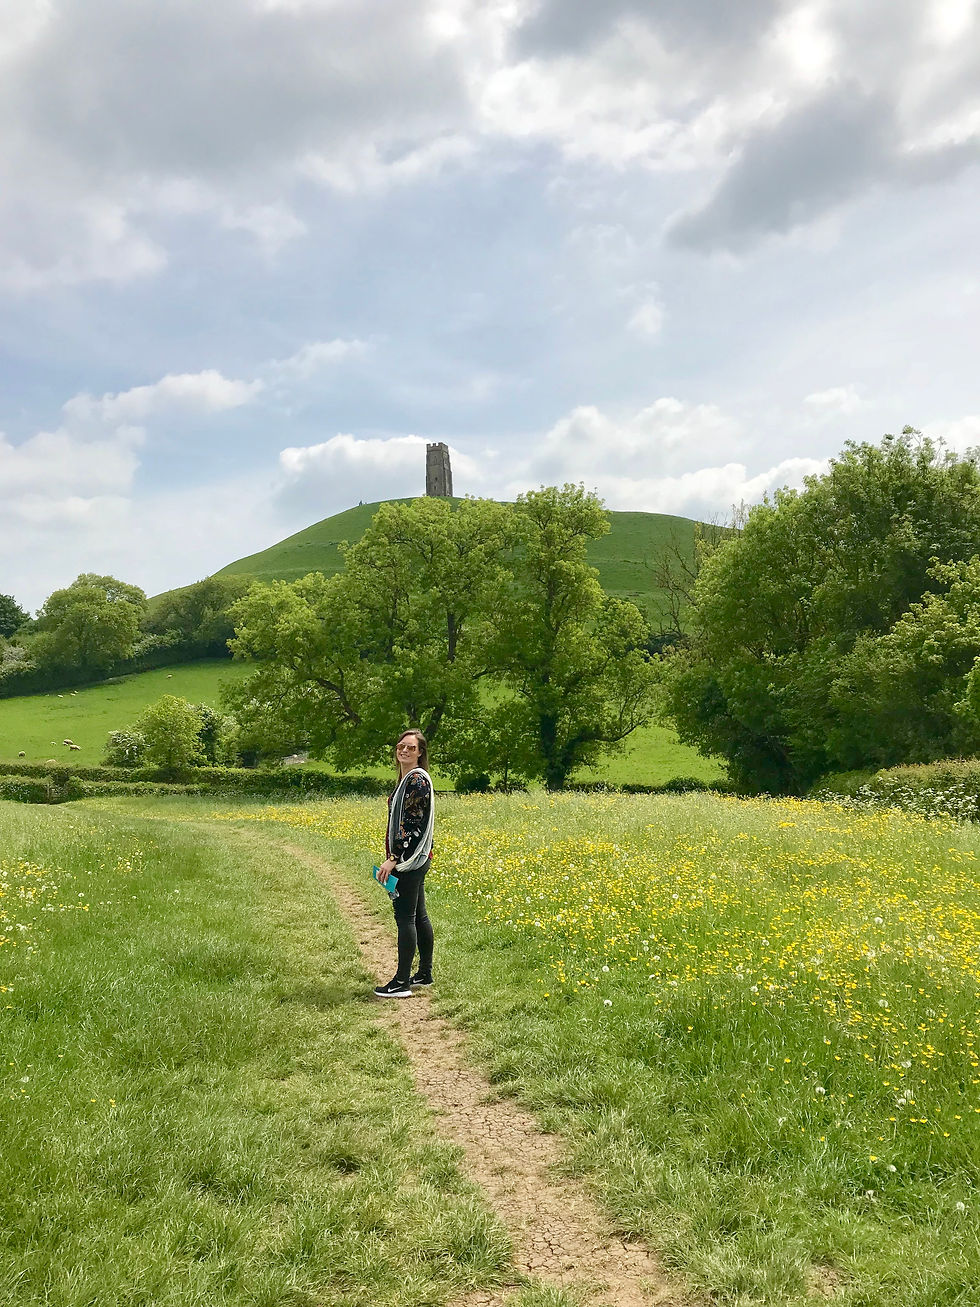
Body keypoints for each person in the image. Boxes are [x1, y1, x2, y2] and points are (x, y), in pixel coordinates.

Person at [373, 728, 435, 998]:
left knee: (405, 918)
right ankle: (424, 974)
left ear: (420, 753)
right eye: (401, 746)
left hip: (409, 860)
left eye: (411, 747)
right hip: (418, 858)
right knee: (419, 916)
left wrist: (393, 859)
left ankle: (401, 983)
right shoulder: (408, 780)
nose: (404, 750)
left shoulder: (416, 781)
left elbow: (411, 824)